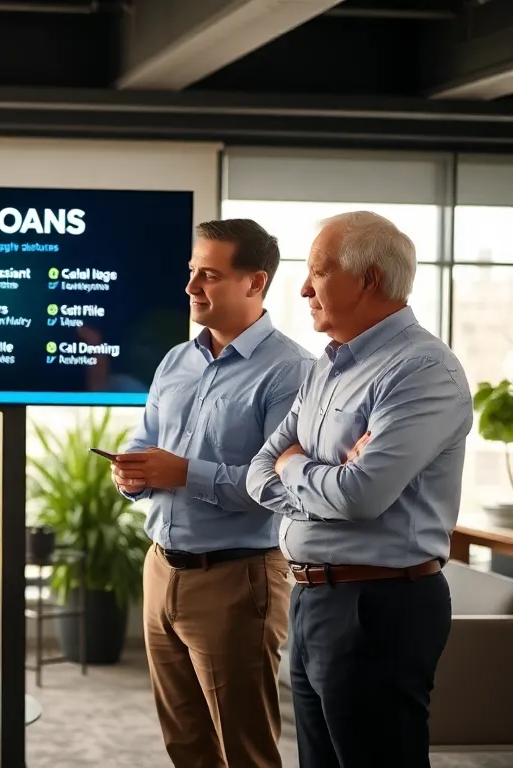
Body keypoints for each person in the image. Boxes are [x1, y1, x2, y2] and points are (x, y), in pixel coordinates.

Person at [247, 211, 472, 767]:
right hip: (311, 596)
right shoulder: (326, 366)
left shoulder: (422, 370)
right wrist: (320, 475)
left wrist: (296, 465)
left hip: (379, 605)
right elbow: (258, 471)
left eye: (318, 272)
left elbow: (360, 496)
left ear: (368, 279)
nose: (302, 288)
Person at [110, 218, 313, 767]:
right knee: (185, 744)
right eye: (191, 273)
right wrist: (130, 471)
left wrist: (182, 473)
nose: (192, 287)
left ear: (255, 282)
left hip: (237, 578)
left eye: (210, 275)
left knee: (244, 747)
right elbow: (145, 436)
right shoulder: (177, 360)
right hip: (161, 569)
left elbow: (278, 485)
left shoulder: (291, 371)